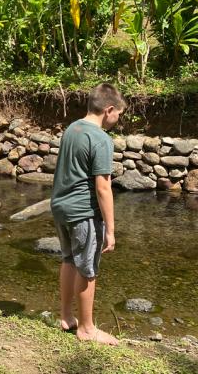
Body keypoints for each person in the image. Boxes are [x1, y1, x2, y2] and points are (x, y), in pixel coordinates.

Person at [50, 83, 126, 346]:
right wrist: (111, 230)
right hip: (83, 212)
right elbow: (103, 187)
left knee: (69, 259)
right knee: (88, 268)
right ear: (109, 110)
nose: (118, 120)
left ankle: (66, 317)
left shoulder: (72, 128)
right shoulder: (101, 139)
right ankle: (86, 328)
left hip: (60, 207)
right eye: (119, 114)